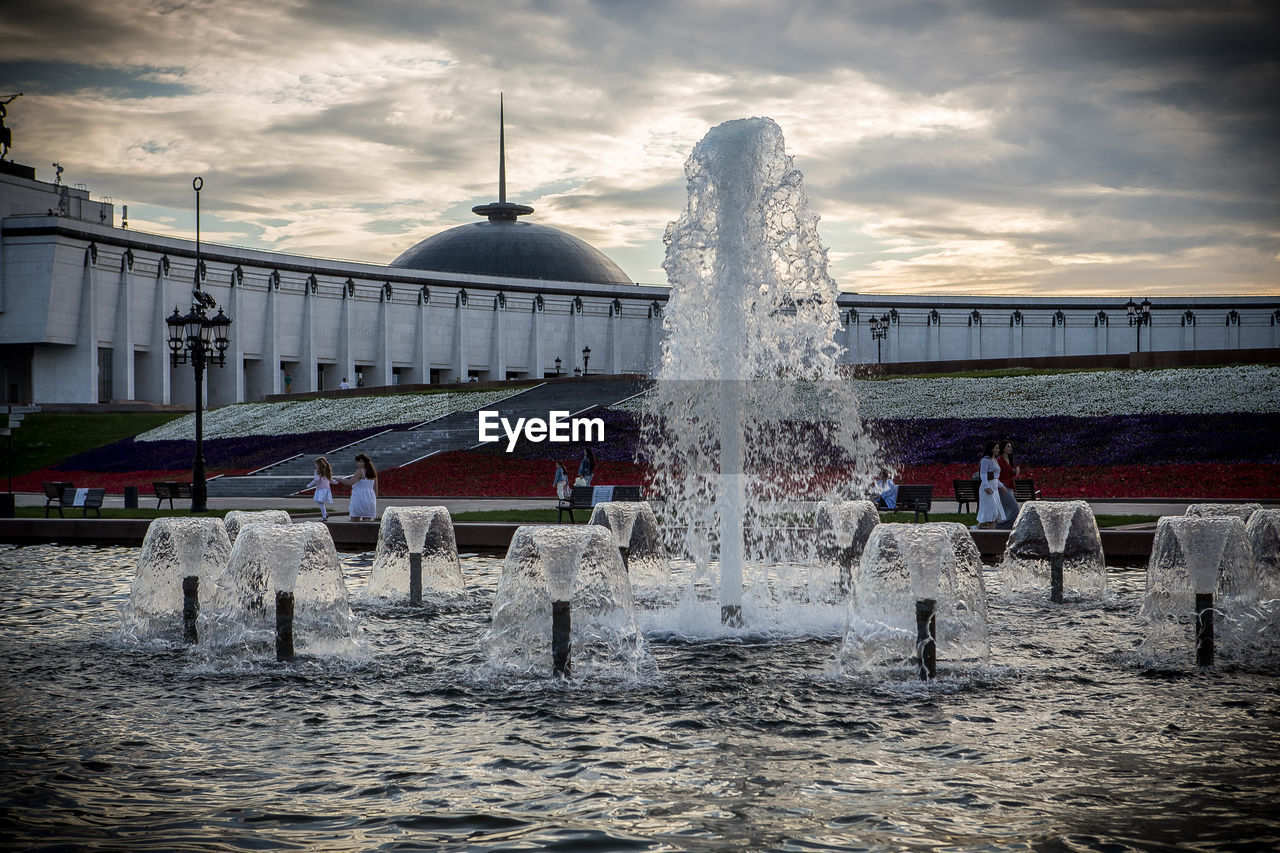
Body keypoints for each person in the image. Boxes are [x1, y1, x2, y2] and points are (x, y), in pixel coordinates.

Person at [976, 440, 1005, 529]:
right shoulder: (985, 460)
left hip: (994, 489)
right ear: (991, 449)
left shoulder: (994, 460)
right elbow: (983, 474)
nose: (998, 450)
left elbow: (996, 476)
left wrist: (1001, 485)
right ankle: (980, 528)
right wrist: (986, 486)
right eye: (996, 448)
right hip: (988, 489)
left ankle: (989, 532)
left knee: (995, 515)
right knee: (993, 512)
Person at [341, 452, 378, 521]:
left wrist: (339, 479)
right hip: (370, 498)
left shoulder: (360, 471)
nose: (357, 464)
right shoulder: (373, 472)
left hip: (359, 498)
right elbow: (376, 488)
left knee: (355, 522)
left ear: (361, 461)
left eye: (357, 462)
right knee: (366, 524)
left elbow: (350, 482)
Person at [996, 439, 1021, 528]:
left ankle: (1007, 526)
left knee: (1009, 510)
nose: (1010, 448)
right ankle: (1002, 526)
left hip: (1010, 487)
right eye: (1008, 446)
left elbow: (1012, 476)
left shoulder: (1010, 460)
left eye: (1010, 447)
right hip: (1003, 487)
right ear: (1003, 448)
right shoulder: (999, 461)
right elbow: (997, 475)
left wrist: (1016, 472)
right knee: (1014, 509)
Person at [305, 456, 335, 521]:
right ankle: (325, 514)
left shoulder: (317, 471)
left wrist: (309, 485)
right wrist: (337, 481)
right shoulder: (326, 471)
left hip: (321, 489)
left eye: (316, 464)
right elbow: (331, 480)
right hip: (326, 489)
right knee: (321, 502)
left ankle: (324, 517)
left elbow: (316, 480)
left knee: (320, 503)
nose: (315, 466)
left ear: (319, 464)